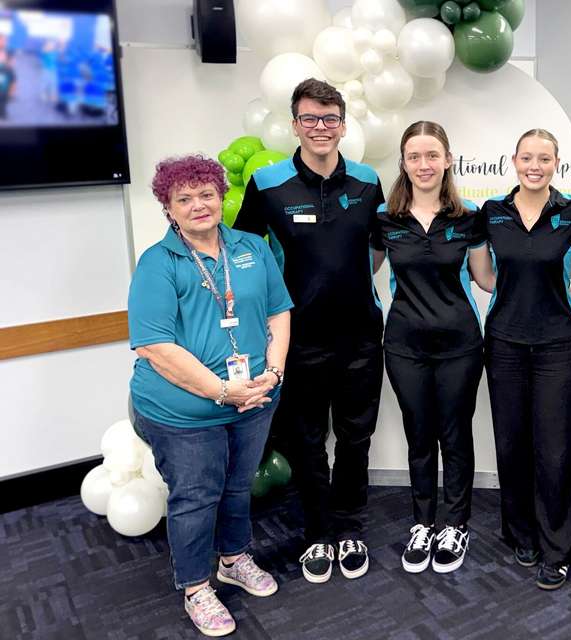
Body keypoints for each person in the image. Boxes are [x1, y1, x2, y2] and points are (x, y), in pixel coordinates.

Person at [129, 154, 292, 636]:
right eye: (185, 199)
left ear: (221, 198)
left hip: (254, 397)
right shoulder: (159, 263)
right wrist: (223, 390)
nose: (198, 205)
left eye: (206, 194)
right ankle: (197, 586)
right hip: (183, 411)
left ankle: (233, 559)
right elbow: (155, 347)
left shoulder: (251, 247)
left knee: (238, 485)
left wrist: (275, 371)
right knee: (197, 497)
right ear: (169, 209)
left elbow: (280, 311)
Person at [232, 78, 386, 585]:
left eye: (330, 119)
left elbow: (378, 248)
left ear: (343, 125)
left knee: (356, 437)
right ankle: (318, 532)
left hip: (361, 336)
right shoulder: (269, 183)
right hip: (298, 342)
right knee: (306, 440)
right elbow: (246, 255)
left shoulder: (367, 182)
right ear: (295, 124)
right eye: (310, 119)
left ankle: (349, 528)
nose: (321, 129)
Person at [470, 129, 571, 590]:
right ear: (514, 161)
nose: (534, 165)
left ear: (556, 162)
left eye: (544, 158)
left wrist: (552, 274)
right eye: (527, 157)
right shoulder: (493, 212)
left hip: (559, 344)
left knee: (557, 448)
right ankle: (521, 532)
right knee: (512, 442)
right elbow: (484, 276)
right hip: (503, 342)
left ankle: (557, 547)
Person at [371, 121, 486, 574]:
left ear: (448, 159)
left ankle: (455, 524)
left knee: (455, 434)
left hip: (459, 344)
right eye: (414, 156)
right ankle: (423, 522)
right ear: (403, 162)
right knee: (419, 435)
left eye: (432, 155)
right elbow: (360, 271)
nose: (424, 164)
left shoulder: (469, 215)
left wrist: (554, 277)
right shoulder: (384, 217)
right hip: (404, 345)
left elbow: (486, 277)